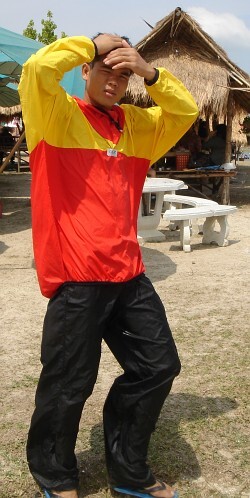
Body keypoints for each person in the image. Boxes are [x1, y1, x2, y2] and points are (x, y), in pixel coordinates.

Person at [19, 33, 198, 498]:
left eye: (122, 75)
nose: (114, 81)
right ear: (85, 70)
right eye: (104, 70)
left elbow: (184, 111)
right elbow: (38, 70)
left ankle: (127, 471)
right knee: (67, 384)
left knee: (158, 366)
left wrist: (149, 72)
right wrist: (90, 43)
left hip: (129, 274)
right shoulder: (54, 114)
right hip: (77, 279)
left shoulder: (138, 126)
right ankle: (54, 475)